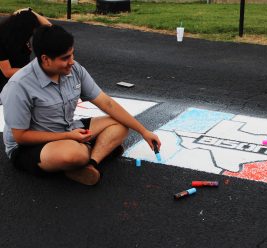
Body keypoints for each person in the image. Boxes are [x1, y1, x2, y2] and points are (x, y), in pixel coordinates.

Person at [1, 25, 161, 186]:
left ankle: (91, 164)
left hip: (68, 129)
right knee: (74, 154)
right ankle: (92, 152)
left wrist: (143, 131)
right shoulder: (19, 86)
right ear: (45, 59)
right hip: (29, 146)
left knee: (121, 124)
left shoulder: (75, 69)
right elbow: (20, 136)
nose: (71, 62)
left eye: (72, 54)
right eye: (65, 58)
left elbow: (107, 103)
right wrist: (68, 137)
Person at [0, 8, 51, 92]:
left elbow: (50, 27)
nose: (31, 34)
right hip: (7, 84)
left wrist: (30, 11)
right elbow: (7, 72)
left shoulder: (20, 37)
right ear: (22, 29)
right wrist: (37, 70)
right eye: (30, 31)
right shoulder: (2, 40)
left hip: (23, 77)